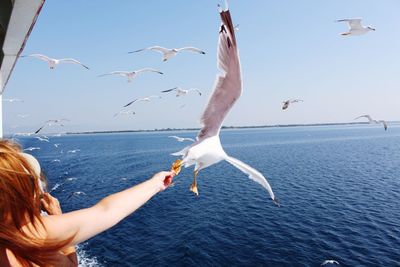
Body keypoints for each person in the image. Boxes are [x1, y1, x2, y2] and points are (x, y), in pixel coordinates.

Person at [0, 139, 175, 266]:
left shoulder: (15, 232)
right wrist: (156, 183)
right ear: (22, 195)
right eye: (34, 184)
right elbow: (106, 211)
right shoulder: (29, 233)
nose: (39, 190)